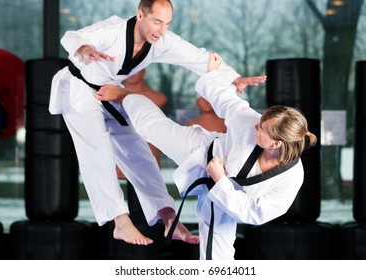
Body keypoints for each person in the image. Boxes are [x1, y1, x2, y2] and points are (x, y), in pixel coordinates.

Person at [49, 0, 266, 246]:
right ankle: (120, 222)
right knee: (96, 151)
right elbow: (72, 36)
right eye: (156, 21)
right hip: (78, 90)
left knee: (138, 151)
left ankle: (168, 217)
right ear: (140, 15)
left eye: (166, 24)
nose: (161, 30)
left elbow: (199, 58)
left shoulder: (161, 41)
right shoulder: (114, 31)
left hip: (109, 92)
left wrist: (235, 78)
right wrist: (85, 49)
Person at [95, 52, 317, 259]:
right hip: (201, 151)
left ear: (276, 143)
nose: (256, 126)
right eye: (260, 121)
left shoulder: (291, 178)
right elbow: (227, 100)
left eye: (262, 128)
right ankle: (126, 97)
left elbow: (255, 214)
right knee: (151, 128)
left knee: (217, 260)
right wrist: (212, 75)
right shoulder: (248, 122)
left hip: (226, 201)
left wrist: (221, 181)